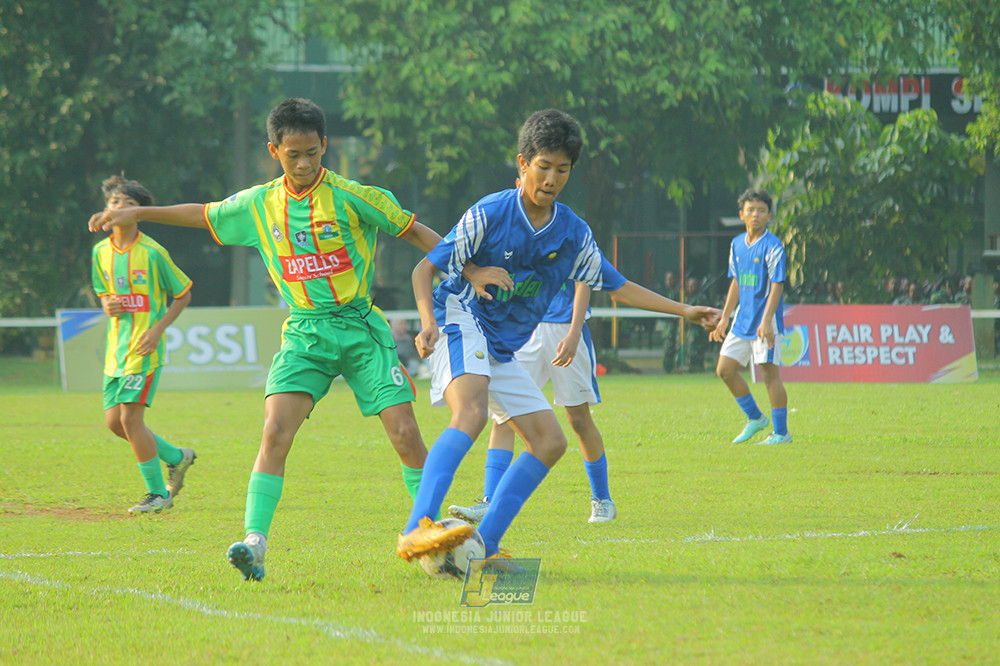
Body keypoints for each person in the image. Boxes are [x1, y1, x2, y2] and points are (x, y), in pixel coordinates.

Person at [89, 98, 446, 582]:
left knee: (405, 433)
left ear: (325, 146)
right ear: (273, 150)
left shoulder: (354, 195)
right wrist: (142, 212)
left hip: (361, 327)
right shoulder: (260, 204)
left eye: (312, 153)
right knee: (275, 430)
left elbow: (420, 234)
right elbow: (203, 214)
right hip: (305, 331)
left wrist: (470, 268)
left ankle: (429, 532)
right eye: (292, 154)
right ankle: (254, 544)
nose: (303, 164)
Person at [395, 109, 720, 565]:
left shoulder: (572, 234)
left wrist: (686, 310)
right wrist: (428, 322)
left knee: (550, 441)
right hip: (460, 318)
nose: (551, 178)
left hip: (502, 348)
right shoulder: (490, 212)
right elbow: (424, 267)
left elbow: (619, 286)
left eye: (562, 169)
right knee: (469, 412)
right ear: (522, 163)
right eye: (543, 166)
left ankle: (482, 545)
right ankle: (415, 529)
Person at [447, 279, 619, 526]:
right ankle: (490, 501)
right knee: (505, 416)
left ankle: (602, 500)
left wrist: (574, 332)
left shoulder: (574, 239)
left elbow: (584, 282)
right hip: (527, 333)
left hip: (565, 331)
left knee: (579, 419)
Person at [91, 175, 196, 514]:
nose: (120, 207)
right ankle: (177, 457)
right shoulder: (100, 252)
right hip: (115, 351)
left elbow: (182, 294)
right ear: (106, 211)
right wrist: (106, 302)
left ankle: (158, 495)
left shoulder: (153, 253)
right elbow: (103, 290)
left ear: (142, 212)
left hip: (144, 350)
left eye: (129, 203)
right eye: (115, 202)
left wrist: (157, 330)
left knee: (131, 420)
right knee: (114, 423)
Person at [709, 188, 791, 446]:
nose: (756, 215)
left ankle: (781, 433)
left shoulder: (773, 246)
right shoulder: (736, 244)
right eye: (751, 210)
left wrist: (766, 321)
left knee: (769, 375)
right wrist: (725, 317)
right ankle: (755, 418)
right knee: (724, 370)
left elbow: (777, 285)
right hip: (741, 322)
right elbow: (735, 283)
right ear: (741, 214)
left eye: (762, 210)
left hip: (764, 324)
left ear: (769, 216)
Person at [660, 270, 680, 372]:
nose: (669, 282)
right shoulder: (664, 293)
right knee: (668, 347)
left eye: (671, 279)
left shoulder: (680, 294)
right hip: (668, 325)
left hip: (679, 326)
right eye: (667, 279)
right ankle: (667, 368)